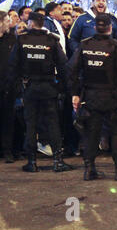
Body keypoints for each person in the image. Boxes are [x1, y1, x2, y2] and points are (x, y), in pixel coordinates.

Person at [67, 13, 117, 181]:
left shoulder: (84, 45)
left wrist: (75, 93)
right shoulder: (115, 46)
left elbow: (72, 70)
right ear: (110, 28)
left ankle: (89, 169)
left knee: (91, 133)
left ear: (95, 27)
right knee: (116, 133)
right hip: (112, 97)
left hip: (91, 96)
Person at [7, 12, 73, 173]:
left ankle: (32, 161)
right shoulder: (51, 40)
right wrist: (66, 89)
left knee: (31, 124)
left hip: (29, 88)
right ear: (42, 23)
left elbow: (12, 67)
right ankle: (57, 161)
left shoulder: (22, 40)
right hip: (49, 87)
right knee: (52, 123)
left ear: (30, 23)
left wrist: (12, 89)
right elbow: (64, 67)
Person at [0, 11, 17, 163]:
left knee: (8, 119)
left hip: (8, 86)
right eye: (7, 21)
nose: (9, 23)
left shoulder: (12, 39)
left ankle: (8, 150)